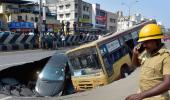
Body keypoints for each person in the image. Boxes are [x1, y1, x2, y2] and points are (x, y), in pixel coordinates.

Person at [126, 24, 170, 100]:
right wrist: (134, 54)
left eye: (146, 42)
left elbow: (167, 84)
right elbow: (135, 65)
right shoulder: (147, 53)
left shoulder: (166, 56)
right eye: (143, 42)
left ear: (157, 40)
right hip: (142, 94)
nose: (144, 45)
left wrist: (141, 95)